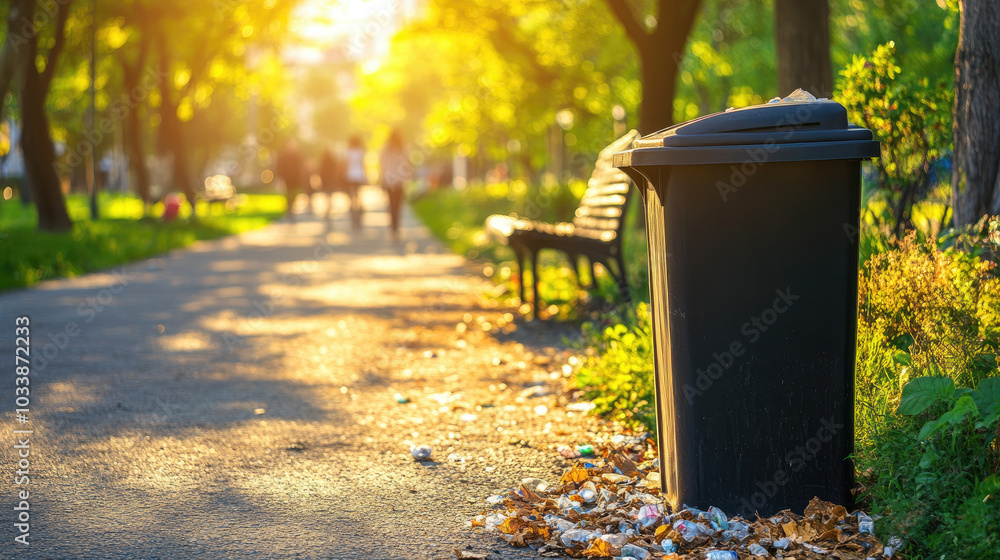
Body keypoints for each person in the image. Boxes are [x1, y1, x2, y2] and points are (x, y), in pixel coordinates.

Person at [379, 128, 412, 241]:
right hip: (400, 180)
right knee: (398, 205)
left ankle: (392, 228)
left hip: (389, 180)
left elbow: (382, 164)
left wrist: (381, 178)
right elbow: (408, 164)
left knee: (391, 204)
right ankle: (396, 228)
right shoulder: (403, 148)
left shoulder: (386, 149)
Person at [275, 139, 305, 221]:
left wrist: (300, 177)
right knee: (288, 194)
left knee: (294, 194)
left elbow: (300, 167)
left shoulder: (297, 155)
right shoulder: (283, 155)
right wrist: (279, 177)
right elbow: (279, 166)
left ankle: (291, 208)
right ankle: (289, 210)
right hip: (287, 178)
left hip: (295, 179)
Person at [344, 134, 367, 231]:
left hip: (350, 176)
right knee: (358, 197)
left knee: (352, 198)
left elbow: (345, 165)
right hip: (359, 176)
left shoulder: (347, 152)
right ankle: (359, 215)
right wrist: (365, 177)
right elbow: (363, 165)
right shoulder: (361, 152)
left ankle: (353, 217)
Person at [318, 146, 342, 223]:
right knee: (330, 197)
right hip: (330, 181)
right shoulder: (332, 160)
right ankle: (329, 210)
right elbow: (337, 170)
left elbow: (320, 171)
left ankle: (327, 211)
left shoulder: (323, 160)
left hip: (325, 181)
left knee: (327, 197)